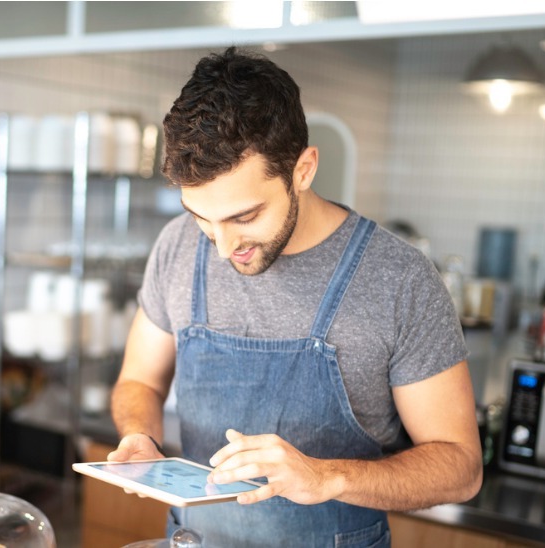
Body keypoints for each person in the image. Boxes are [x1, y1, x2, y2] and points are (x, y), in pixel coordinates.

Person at [107, 47, 482, 547]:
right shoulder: (177, 245)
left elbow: (461, 466)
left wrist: (328, 477)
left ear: (302, 170)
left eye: (244, 218)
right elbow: (139, 381)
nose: (221, 248)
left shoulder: (399, 280)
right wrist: (140, 435)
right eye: (201, 217)